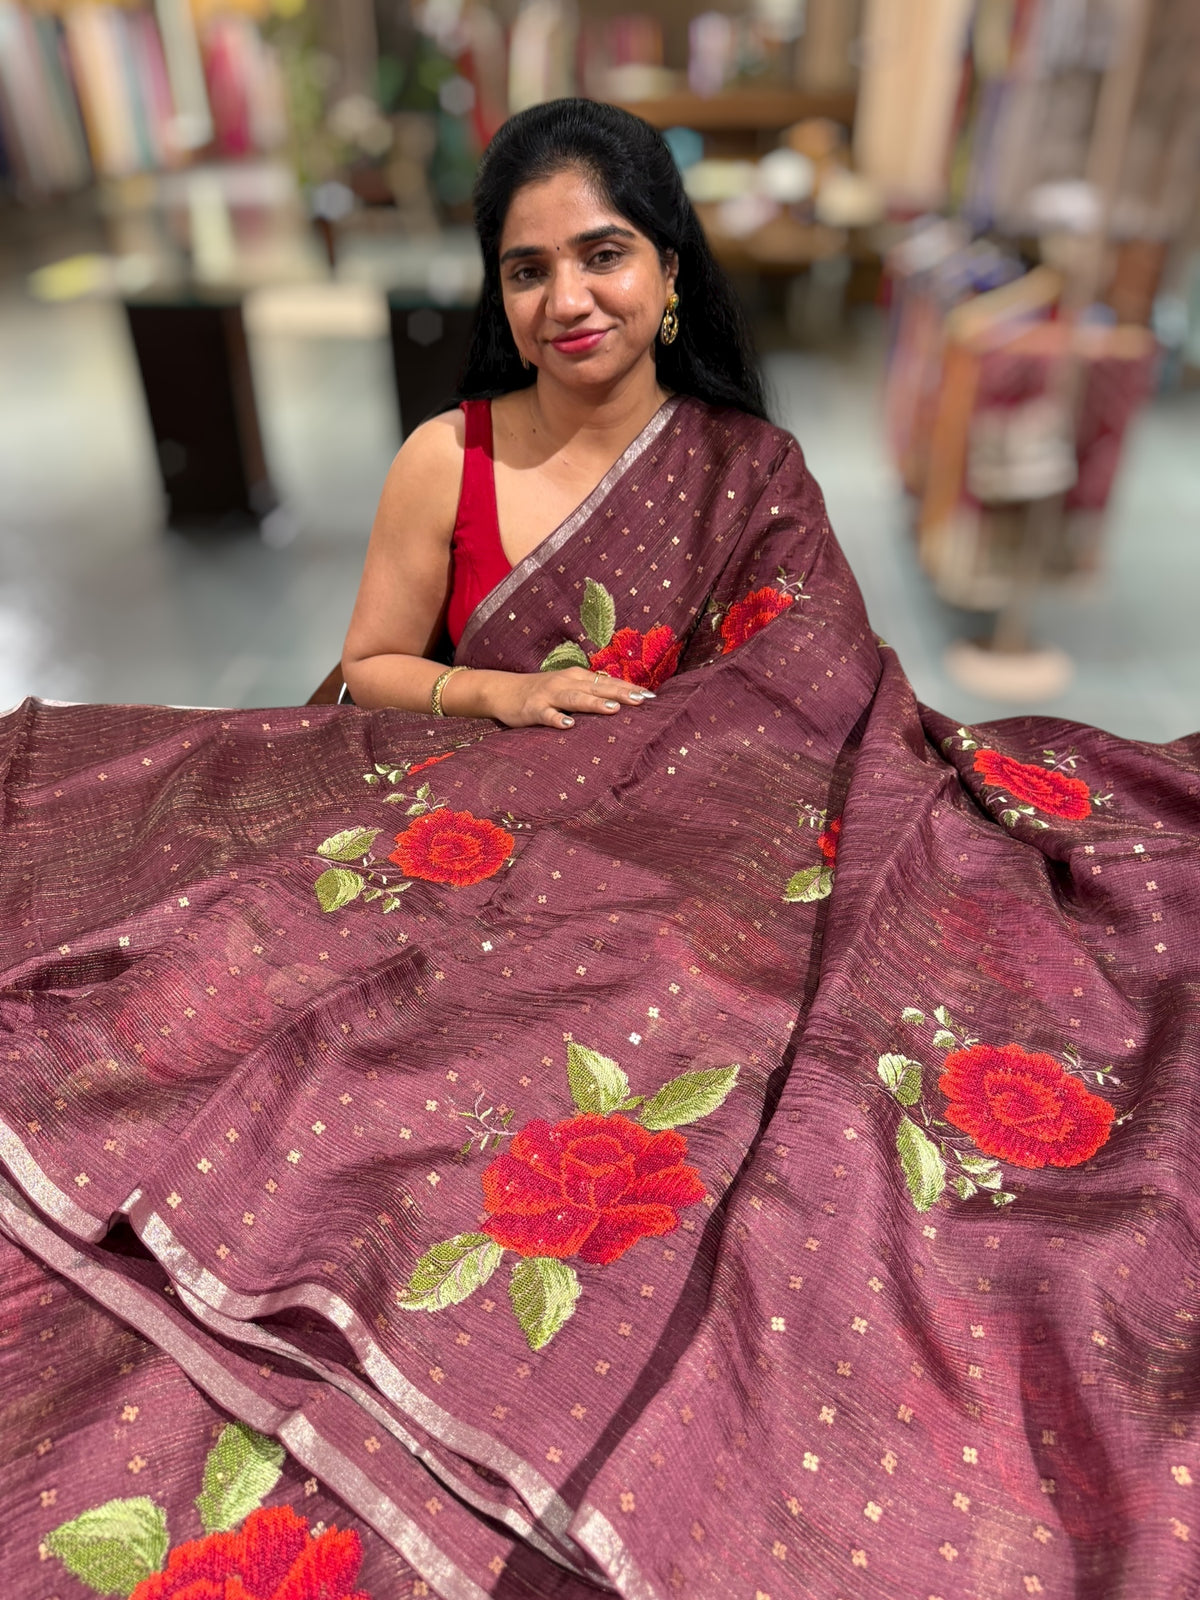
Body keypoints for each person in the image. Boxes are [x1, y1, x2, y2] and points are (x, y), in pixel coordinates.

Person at [2, 98, 1198, 1600]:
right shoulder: (451, 457)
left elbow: (818, 693)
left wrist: (655, 784)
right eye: (526, 269)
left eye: (605, 254)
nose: (567, 298)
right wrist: (502, 695)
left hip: (671, 843)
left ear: (672, 271)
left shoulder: (750, 472)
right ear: (496, 293)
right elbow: (371, 664)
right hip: (464, 802)